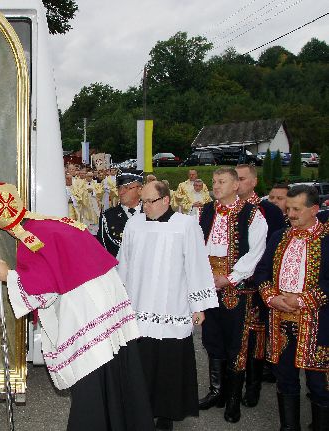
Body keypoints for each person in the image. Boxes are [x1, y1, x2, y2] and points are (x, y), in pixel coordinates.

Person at [0, 182, 154, 431]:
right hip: (108, 301)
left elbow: (44, 289)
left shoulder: (31, 239)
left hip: (86, 310)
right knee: (116, 372)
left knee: (90, 379)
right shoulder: (50, 222)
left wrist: (8, 276)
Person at [117, 180, 218, 430]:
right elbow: (124, 264)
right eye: (143, 202)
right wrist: (118, 299)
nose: (145, 207)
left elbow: (196, 265)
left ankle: (166, 415)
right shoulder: (134, 224)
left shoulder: (185, 226)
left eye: (150, 202)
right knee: (142, 363)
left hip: (171, 305)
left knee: (168, 366)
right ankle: (141, 411)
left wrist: (199, 305)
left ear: (165, 200)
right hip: (139, 304)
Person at [253, 185, 329, 430]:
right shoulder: (279, 236)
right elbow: (262, 271)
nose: (291, 214)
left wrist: (303, 299)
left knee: (319, 382)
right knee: (285, 378)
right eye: (289, 209)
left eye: (297, 209)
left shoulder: (327, 239)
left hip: (317, 323)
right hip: (279, 320)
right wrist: (270, 296)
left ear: (314, 210)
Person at [197, 167, 267, 423]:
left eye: (222, 181)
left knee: (236, 342)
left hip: (235, 289)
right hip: (208, 285)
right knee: (212, 338)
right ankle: (217, 391)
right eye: (214, 181)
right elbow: (196, 245)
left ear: (236, 185)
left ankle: (234, 398)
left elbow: (256, 252)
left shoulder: (252, 214)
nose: (215, 186)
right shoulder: (205, 210)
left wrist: (230, 277)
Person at [235, 164, 286, 407]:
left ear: (253, 182)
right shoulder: (228, 210)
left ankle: (252, 387)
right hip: (231, 284)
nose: (237, 183)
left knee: (255, 336)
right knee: (230, 336)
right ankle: (227, 386)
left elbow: (275, 251)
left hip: (257, 286)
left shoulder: (269, 211)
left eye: (242, 178)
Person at [96, 170, 143, 257]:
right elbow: (102, 251)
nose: (121, 192)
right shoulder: (108, 217)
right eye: (119, 188)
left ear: (140, 190)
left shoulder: (150, 215)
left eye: (126, 187)